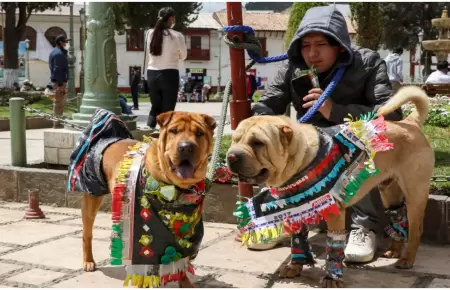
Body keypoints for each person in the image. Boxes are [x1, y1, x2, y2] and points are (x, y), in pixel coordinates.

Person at [250, 5, 402, 263]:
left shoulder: (367, 62)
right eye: (306, 45)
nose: (312, 53)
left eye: (320, 44)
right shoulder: (293, 66)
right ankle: (280, 220)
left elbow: (391, 113)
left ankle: (363, 227)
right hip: (312, 147)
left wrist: (336, 111)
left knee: (359, 151)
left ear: (339, 46)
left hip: (353, 146)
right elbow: (270, 101)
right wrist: (258, 121)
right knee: (274, 150)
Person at [145, 6, 187, 130]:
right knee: (168, 109)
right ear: (171, 19)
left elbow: (149, 52)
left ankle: (149, 130)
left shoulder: (149, 33)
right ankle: (165, 134)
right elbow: (183, 56)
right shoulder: (177, 36)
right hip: (169, 73)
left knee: (155, 106)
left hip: (152, 72)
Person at [49, 34, 70, 129]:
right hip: (59, 81)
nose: (66, 43)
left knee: (59, 102)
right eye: (65, 41)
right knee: (59, 103)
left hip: (58, 80)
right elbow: (57, 69)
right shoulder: (59, 54)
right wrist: (61, 84)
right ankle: (57, 124)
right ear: (60, 42)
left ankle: (58, 122)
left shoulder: (55, 51)